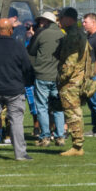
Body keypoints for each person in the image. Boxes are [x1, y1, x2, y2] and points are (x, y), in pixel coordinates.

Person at [0, 18, 35, 161]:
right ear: (10, 30)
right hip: (14, 89)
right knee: (16, 121)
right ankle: (20, 153)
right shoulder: (18, 46)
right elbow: (27, 67)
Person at [27, 11, 66, 147]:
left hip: (42, 75)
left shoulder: (41, 34)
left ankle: (45, 137)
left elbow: (31, 51)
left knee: (42, 107)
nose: (40, 23)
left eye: (42, 21)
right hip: (57, 76)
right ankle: (60, 136)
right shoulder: (62, 34)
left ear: (47, 21)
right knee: (58, 107)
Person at [55, 8, 89, 157]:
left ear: (69, 19)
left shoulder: (72, 36)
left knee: (73, 114)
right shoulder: (78, 33)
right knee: (75, 113)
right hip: (76, 79)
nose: (59, 21)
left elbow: (70, 63)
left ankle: (77, 146)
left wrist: (61, 78)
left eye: (61, 18)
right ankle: (77, 144)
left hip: (71, 82)